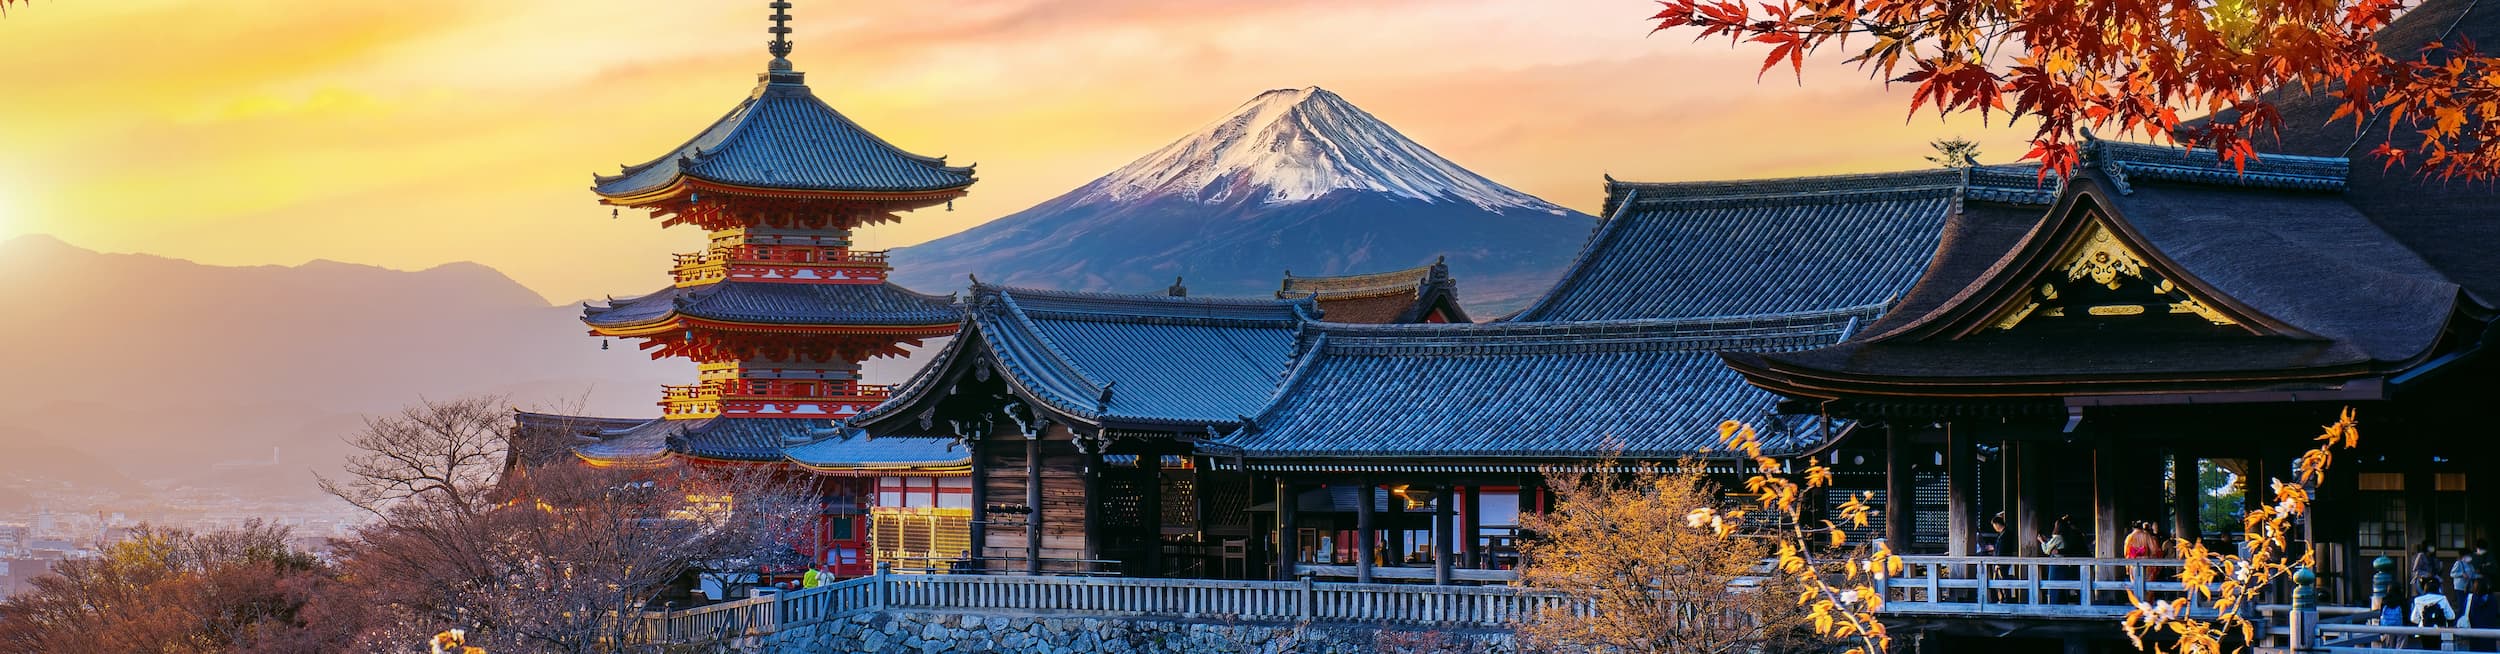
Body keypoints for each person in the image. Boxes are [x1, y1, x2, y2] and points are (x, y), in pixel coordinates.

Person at [2416, 576, 2460, 650]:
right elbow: (2451, 616)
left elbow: (2413, 618)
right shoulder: (2442, 598)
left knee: (2426, 650)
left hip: (2424, 628)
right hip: (2440, 628)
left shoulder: (2418, 600)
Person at [2463, 578, 2498, 652]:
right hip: (2490, 633)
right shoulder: (2493, 599)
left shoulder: (2471, 599)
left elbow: (2467, 613)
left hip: (2475, 632)